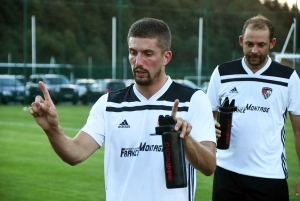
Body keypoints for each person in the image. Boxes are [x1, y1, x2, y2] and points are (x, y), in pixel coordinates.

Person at [28, 18, 216, 201]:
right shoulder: (109, 104)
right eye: (133, 52)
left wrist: (185, 138)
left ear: (166, 57)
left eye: (147, 54)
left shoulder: (192, 100)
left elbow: (209, 166)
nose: (138, 61)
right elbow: (75, 154)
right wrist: (52, 129)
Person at [206, 14, 300, 201]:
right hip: (227, 173)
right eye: (249, 44)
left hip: (270, 177)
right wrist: (212, 127)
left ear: (272, 43)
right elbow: (207, 118)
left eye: (261, 45)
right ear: (241, 41)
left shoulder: (288, 77)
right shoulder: (222, 73)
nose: (254, 50)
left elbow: (299, 131)